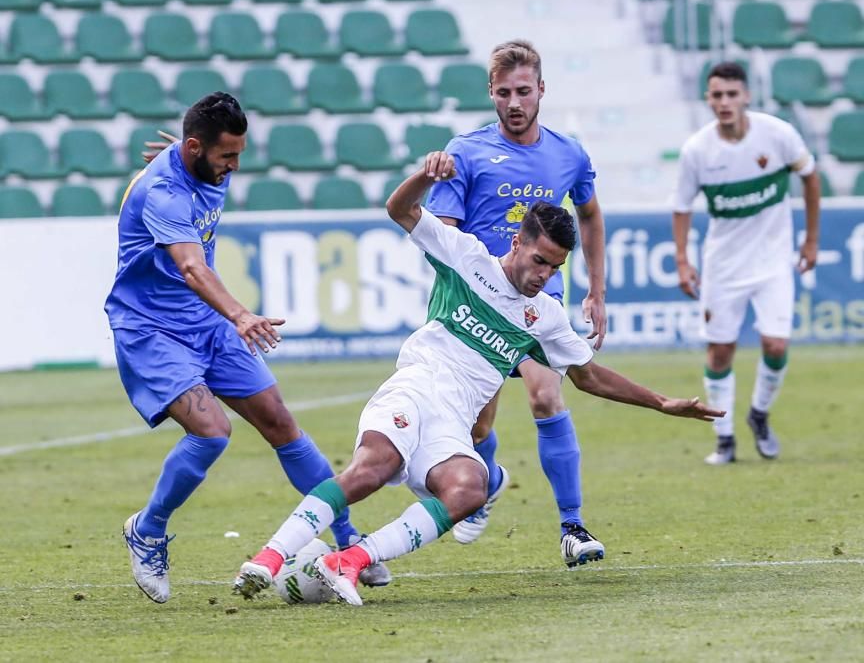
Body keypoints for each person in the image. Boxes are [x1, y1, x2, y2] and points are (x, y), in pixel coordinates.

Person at [232, 152, 723, 606]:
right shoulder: (465, 258)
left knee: (471, 488)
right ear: (517, 242)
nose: (544, 276)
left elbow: (589, 376)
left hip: (453, 420)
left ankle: (348, 562)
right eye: (539, 261)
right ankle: (268, 559)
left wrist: (663, 404)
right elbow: (399, 209)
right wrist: (427, 174)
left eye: (555, 268)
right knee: (372, 468)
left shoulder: (545, 315)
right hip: (417, 386)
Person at [105, 92, 389, 604]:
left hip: (204, 323)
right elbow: (192, 266)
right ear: (195, 148)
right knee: (212, 432)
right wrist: (240, 314)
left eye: (237, 155)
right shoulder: (165, 193)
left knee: (281, 422)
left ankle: (348, 541)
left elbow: (194, 170)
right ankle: (147, 530)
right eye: (226, 157)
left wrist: (187, 158)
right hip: (152, 329)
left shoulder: (200, 166)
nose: (234, 167)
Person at [424, 39, 608, 567]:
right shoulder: (465, 153)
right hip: (482, 307)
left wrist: (596, 289)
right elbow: (445, 235)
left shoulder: (568, 153)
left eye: (523, 91)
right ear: (491, 92)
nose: (514, 102)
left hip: (537, 301)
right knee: (479, 427)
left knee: (547, 395)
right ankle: (490, 479)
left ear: (541, 90)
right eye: (503, 92)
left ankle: (572, 526)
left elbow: (590, 216)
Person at [672, 61, 821, 465]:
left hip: (773, 262)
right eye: (717, 95)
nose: (724, 102)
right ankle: (724, 439)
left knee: (775, 344)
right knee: (720, 352)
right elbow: (681, 208)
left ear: (746, 96)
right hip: (723, 266)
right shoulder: (697, 151)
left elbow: (810, 176)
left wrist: (810, 239)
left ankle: (758, 413)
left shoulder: (778, 135)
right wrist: (683, 261)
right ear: (708, 98)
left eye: (731, 94)